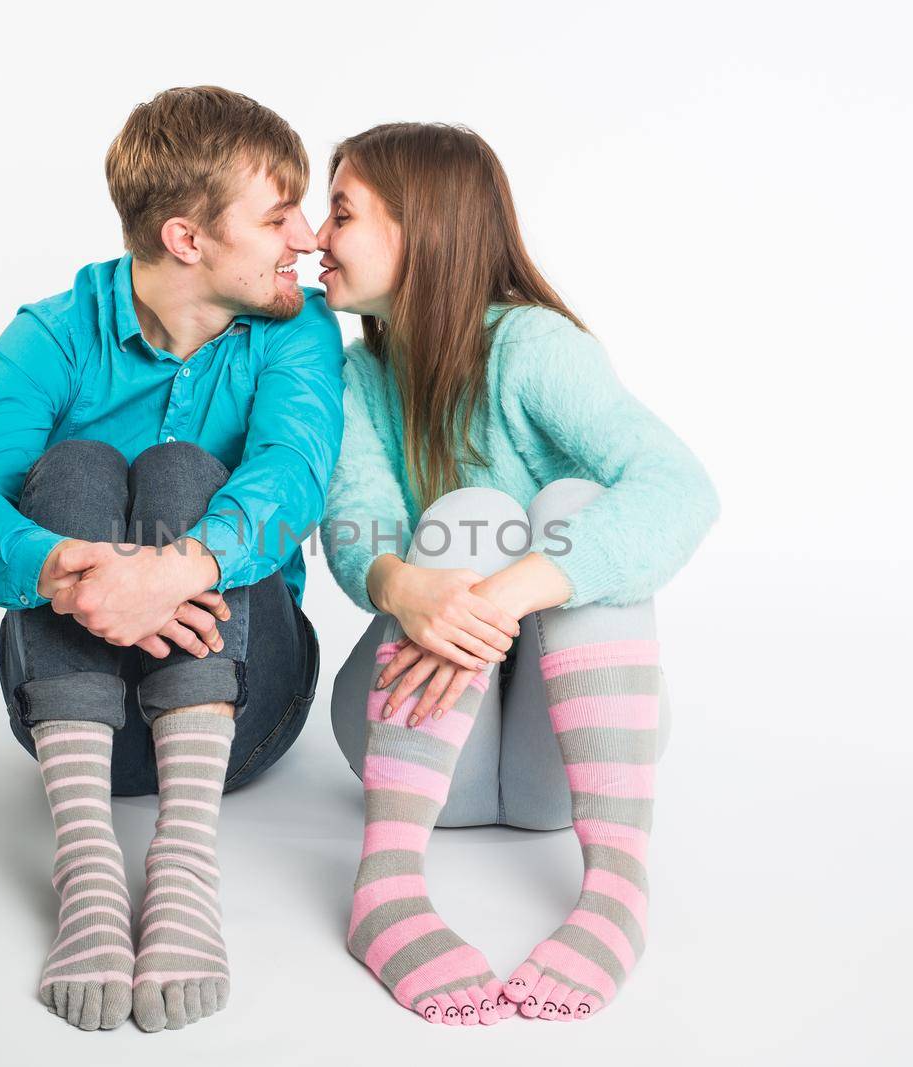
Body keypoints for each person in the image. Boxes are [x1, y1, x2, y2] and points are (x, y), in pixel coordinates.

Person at [0, 86, 341, 1032]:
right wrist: (72, 566)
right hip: (80, 734)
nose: (307, 237)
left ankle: (185, 866)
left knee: (187, 469)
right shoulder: (53, 333)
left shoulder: (296, 327)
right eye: (278, 216)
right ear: (188, 239)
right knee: (70, 470)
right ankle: (88, 865)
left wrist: (177, 569)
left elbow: (296, 471)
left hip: (245, 710)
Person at [315, 123, 720, 1026]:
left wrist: (514, 587)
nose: (316, 236)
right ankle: (386, 883)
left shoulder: (531, 347)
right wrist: (397, 582)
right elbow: (355, 521)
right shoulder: (350, 376)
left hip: (566, 761)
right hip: (417, 752)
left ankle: (616, 887)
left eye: (340, 211)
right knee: (470, 519)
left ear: (419, 228)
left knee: (568, 507)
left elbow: (680, 487)